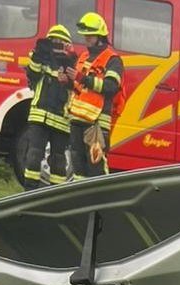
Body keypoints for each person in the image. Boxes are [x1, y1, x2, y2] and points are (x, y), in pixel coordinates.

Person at [66, 11, 123, 181]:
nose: (86, 39)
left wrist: (83, 78)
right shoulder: (83, 57)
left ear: (100, 36)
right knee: (78, 170)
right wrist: (67, 81)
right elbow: (79, 87)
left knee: (96, 169)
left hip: (96, 123)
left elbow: (111, 87)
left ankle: (99, 207)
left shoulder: (112, 60)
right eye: (85, 36)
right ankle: (81, 205)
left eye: (90, 36)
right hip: (77, 119)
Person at [21, 23, 74, 190]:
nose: (57, 45)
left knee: (59, 160)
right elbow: (33, 73)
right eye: (54, 41)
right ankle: (29, 191)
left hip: (61, 120)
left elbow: (77, 86)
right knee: (34, 154)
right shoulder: (40, 56)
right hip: (40, 115)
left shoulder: (74, 63)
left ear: (67, 45)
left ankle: (55, 195)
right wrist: (39, 53)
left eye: (61, 42)